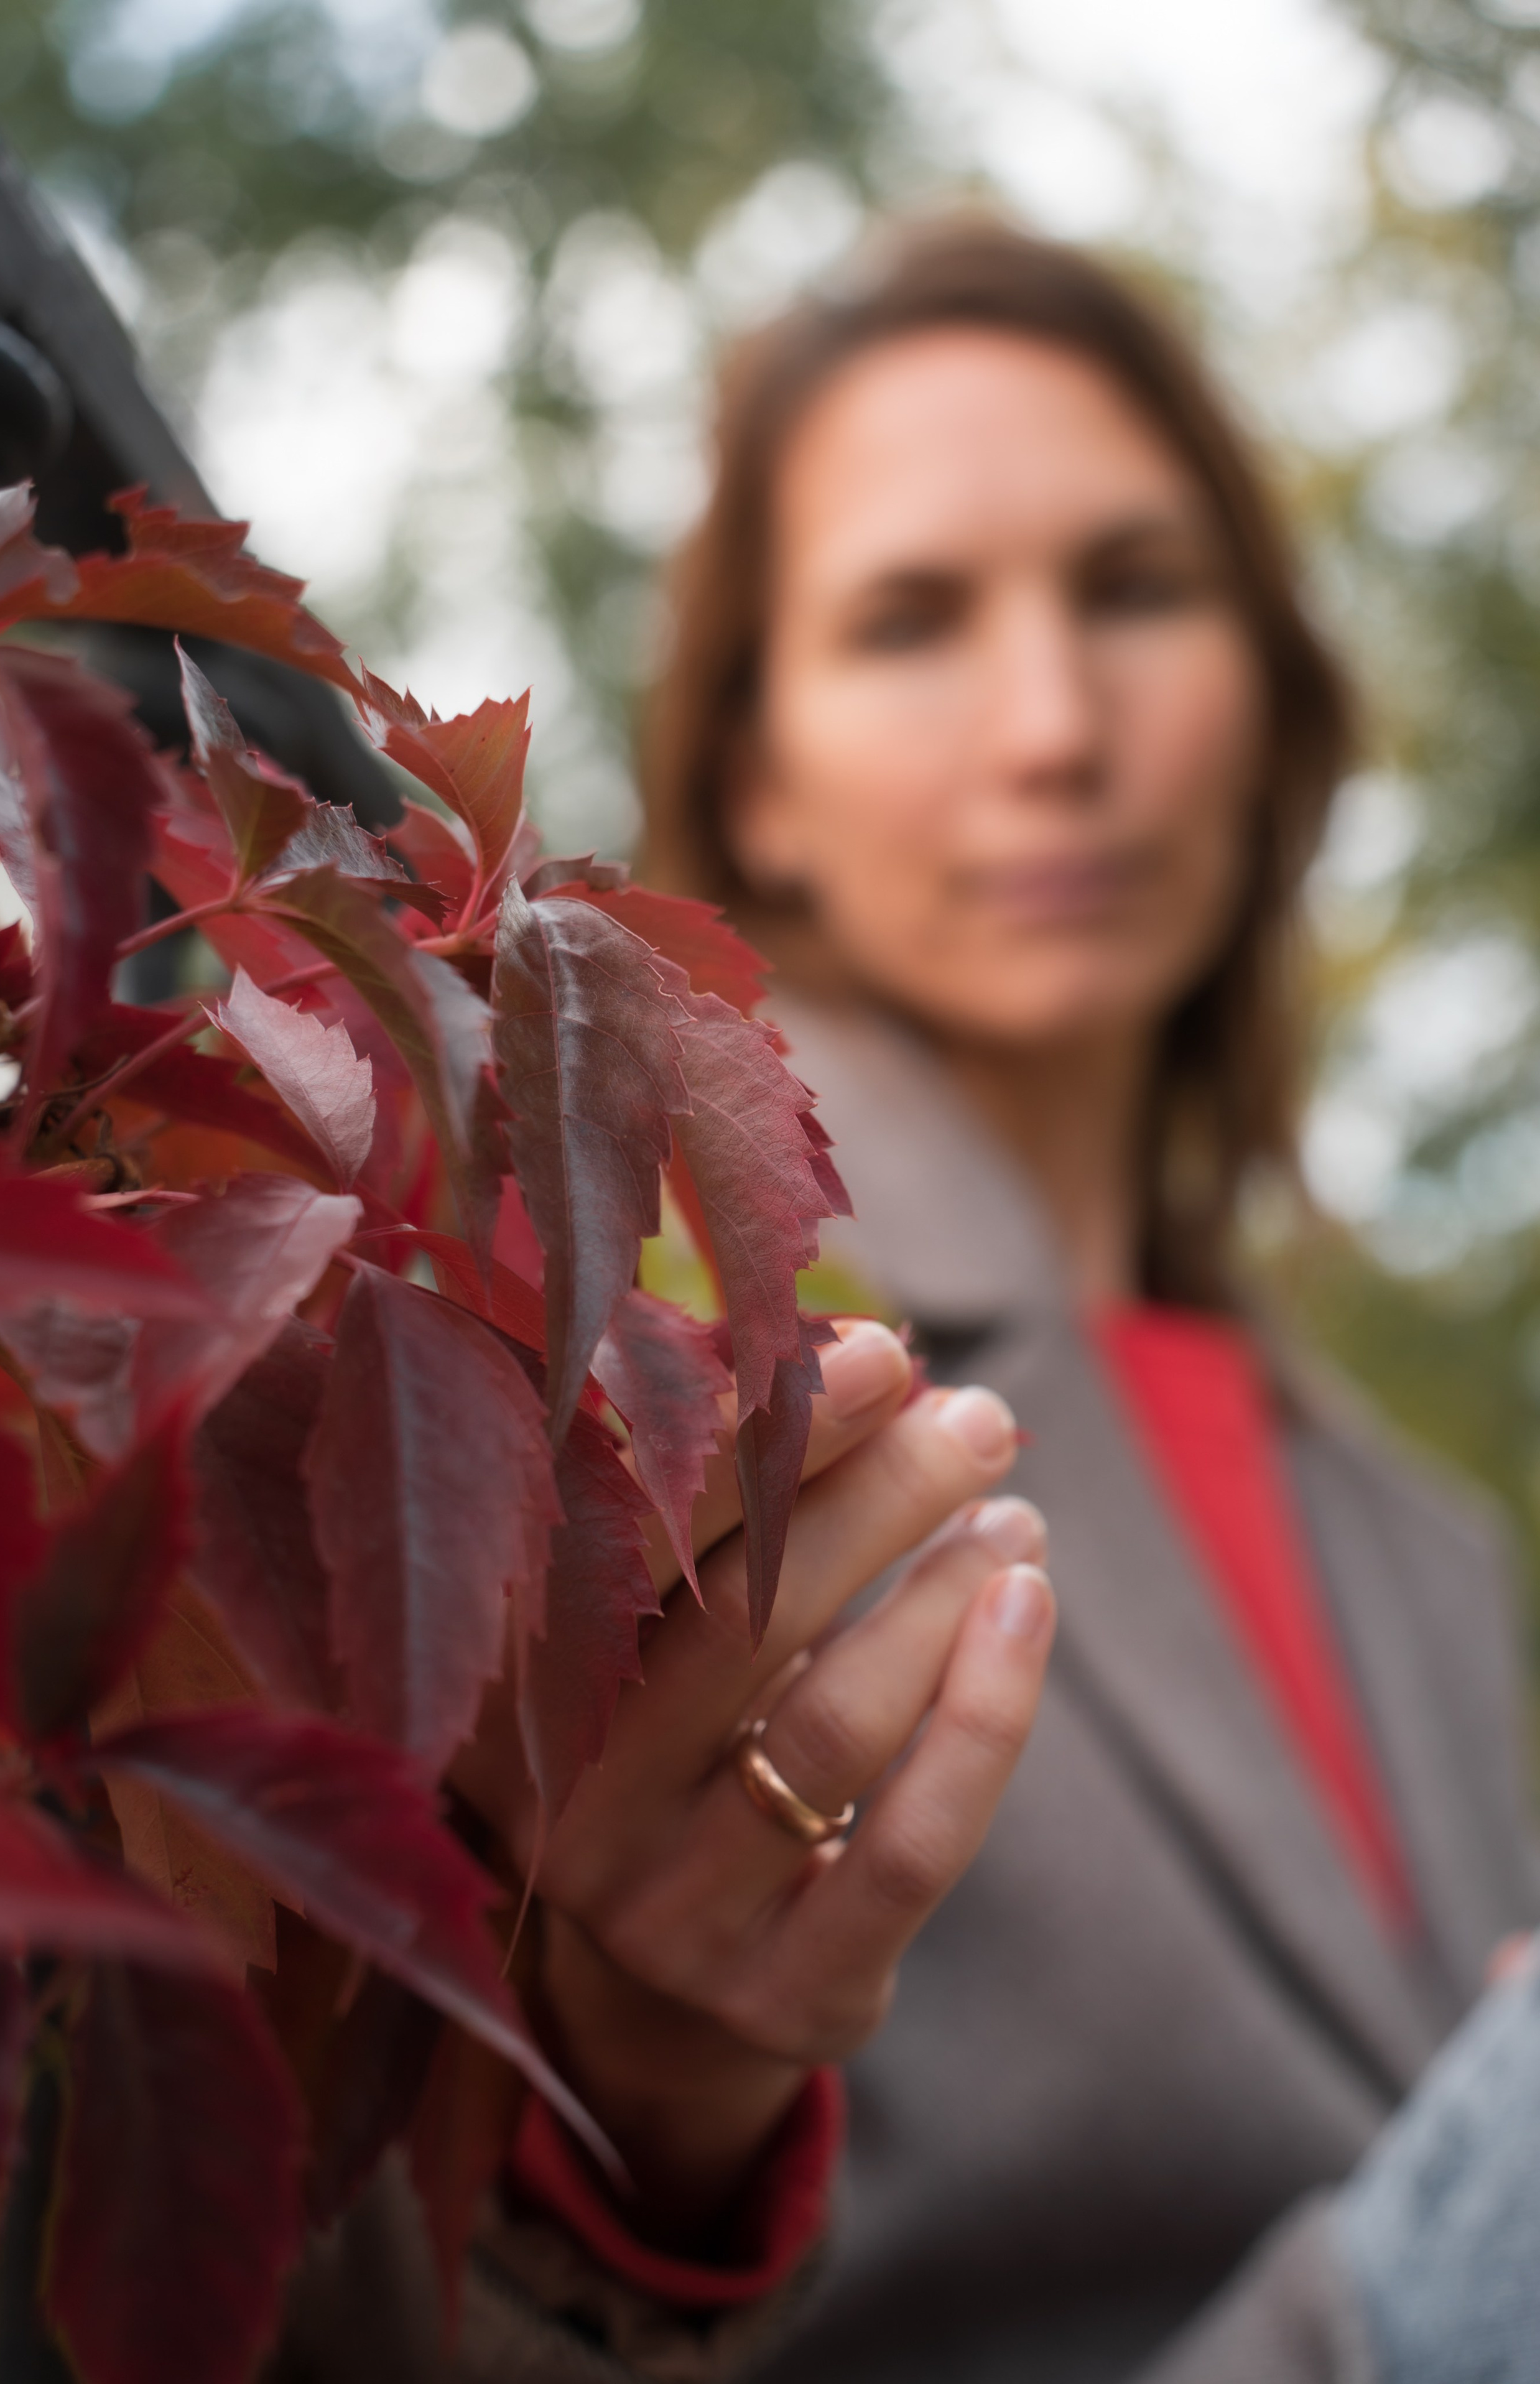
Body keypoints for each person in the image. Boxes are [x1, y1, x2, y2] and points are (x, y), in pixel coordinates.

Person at [272, 216, 1539, 2384]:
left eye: (1137, 588)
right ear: (757, 768)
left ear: (1270, 683)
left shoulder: (1433, 1542)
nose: (1055, 727)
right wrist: (650, 2112)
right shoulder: (613, 1327)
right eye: (910, 620)